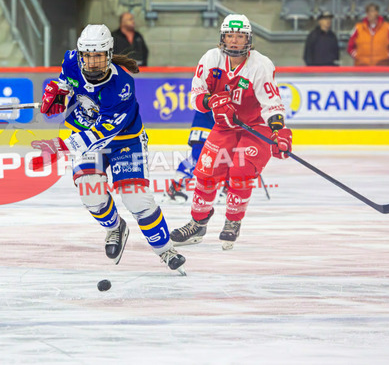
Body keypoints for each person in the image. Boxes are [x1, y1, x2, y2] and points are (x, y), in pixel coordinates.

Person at [31, 24, 186, 274]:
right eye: (88, 56)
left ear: (109, 54)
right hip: (84, 133)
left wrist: (62, 146)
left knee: (137, 198)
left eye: (99, 56)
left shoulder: (121, 85)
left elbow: (103, 132)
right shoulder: (71, 61)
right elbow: (65, 85)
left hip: (125, 140)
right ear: (81, 54)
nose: (92, 62)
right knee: (90, 192)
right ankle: (115, 228)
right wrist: (58, 95)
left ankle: (165, 250)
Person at [169, 14, 291, 251]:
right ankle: (197, 224)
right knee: (205, 174)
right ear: (222, 38)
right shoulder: (211, 59)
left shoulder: (260, 65)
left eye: (240, 36)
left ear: (248, 39)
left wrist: (279, 131)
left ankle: (233, 222)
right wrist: (211, 101)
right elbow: (196, 96)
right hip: (224, 126)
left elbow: (272, 104)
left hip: (255, 127)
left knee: (241, 172)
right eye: (230, 35)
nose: (234, 41)